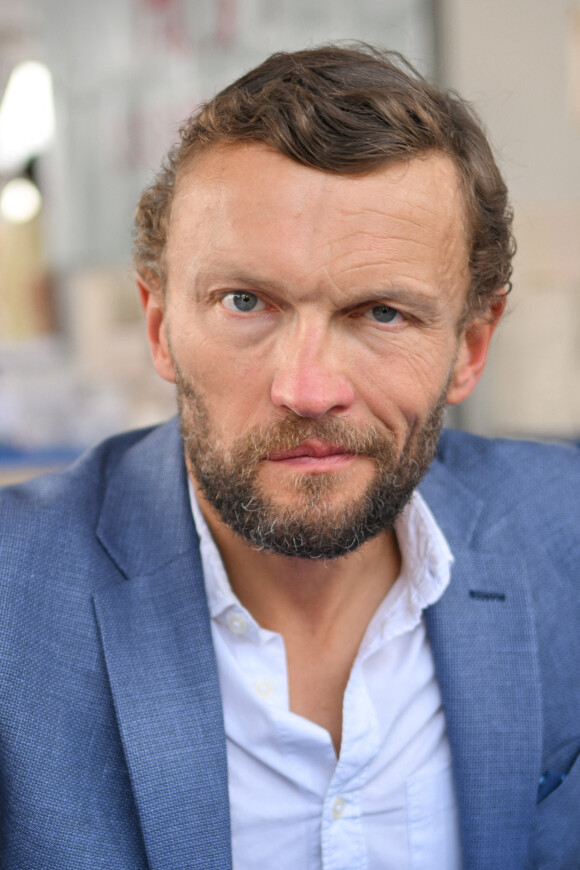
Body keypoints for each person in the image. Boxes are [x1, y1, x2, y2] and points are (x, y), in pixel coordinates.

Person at [0, 44, 578, 870]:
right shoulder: (13, 602)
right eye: (246, 303)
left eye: (381, 313)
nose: (308, 390)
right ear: (160, 325)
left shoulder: (568, 540)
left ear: (471, 346)